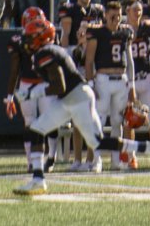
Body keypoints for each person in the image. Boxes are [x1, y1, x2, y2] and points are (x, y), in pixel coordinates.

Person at [14, 11, 104, 194]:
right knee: (37, 129)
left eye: (31, 37)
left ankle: (146, 147)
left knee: (96, 140)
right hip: (69, 97)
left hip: (75, 96)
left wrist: (32, 93)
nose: (27, 41)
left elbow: (59, 85)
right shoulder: (48, 51)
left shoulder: (47, 52)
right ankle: (38, 177)